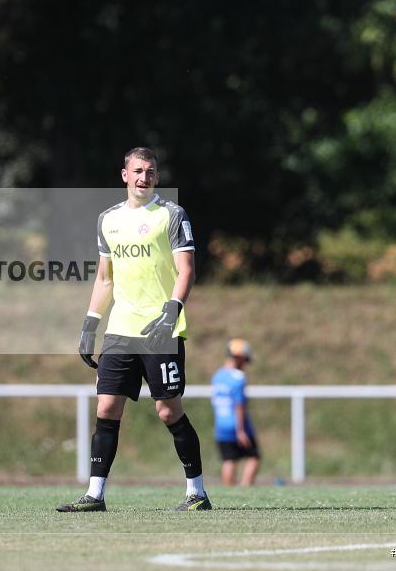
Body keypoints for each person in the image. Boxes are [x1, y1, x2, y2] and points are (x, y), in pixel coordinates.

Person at [57, 146, 211, 513]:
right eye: (138, 170)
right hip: (121, 329)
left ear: (157, 177)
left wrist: (173, 310)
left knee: (168, 411)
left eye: (151, 171)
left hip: (160, 329)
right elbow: (105, 278)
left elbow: (186, 269)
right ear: (124, 174)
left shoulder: (171, 215)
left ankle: (197, 493)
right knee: (107, 406)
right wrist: (91, 322)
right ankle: (95, 495)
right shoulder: (107, 219)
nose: (144, 177)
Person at [211, 339, 261, 486]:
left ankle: (228, 491)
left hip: (221, 424)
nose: (245, 364)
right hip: (237, 424)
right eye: (245, 359)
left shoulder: (218, 376)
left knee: (229, 460)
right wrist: (240, 430)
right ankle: (245, 488)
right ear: (238, 357)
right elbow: (239, 405)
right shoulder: (238, 377)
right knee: (254, 457)